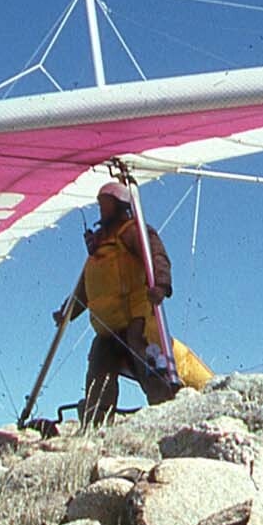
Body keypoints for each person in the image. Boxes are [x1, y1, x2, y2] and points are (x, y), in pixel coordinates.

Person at [53, 182, 178, 425]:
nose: (102, 210)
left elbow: (156, 255)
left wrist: (161, 285)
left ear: (119, 206)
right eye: (100, 205)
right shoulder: (100, 246)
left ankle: (167, 414)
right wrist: (67, 312)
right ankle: (95, 423)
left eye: (106, 205)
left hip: (135, 319)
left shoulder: (132, 231)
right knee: (99, 364)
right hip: (108, 327)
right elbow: (87, 287)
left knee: (147, 360)